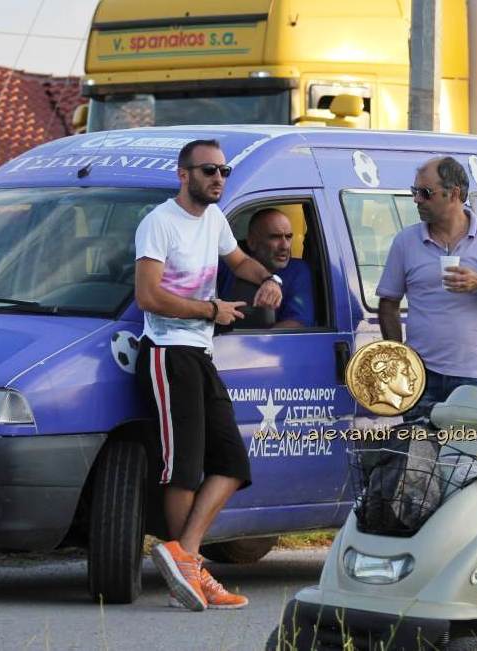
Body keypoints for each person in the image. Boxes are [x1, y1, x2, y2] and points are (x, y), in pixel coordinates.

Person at [134, 138, 283, 612]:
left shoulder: (215, 219)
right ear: (184, 175)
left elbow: (239, 261)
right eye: (208, 170)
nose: (218, 178)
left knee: (233, 464)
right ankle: (190, 573)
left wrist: (270, 280)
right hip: (167, 354)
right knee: (183, 471)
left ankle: (186, 557)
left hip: (200, 353)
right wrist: (210, 310)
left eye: (223, 171)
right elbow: (148, 296)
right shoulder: (159, 223)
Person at [375, 156, 477, 419]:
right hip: (420, 376)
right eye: (414, 191)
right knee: (420, 447)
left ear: (454, 194)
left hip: (475, 376)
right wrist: (399, 358)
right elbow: (388, 305)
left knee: (471, 447)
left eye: (425, 193)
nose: (416, 199)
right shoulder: (406, 241)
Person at [217, 208, 315, 328]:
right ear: (252, 242)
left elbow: (297, 324)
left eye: (288, 237)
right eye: (275, 237)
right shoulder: (229, 264)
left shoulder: (297, 271)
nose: (285, 246)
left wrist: (259, 339)